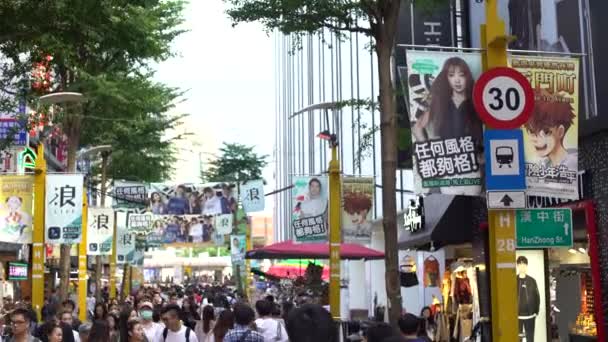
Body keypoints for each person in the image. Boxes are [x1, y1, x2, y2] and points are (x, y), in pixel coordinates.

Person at [524, 88, 577, 170]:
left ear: (560, 131)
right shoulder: (543, 165)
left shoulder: (572, 164)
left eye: (545, 132)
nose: (536, 139)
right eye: (532, 131)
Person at [517, 256, 540, 342]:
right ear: (517, 266)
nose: (522, 267)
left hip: (530, 316)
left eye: (524, 265)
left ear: (527, 266)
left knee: (530, 339)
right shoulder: (513, 280)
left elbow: (537, 296)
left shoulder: (532, 281)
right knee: (517, 339)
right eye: (520, 264)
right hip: (517, 317)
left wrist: (536, 312)